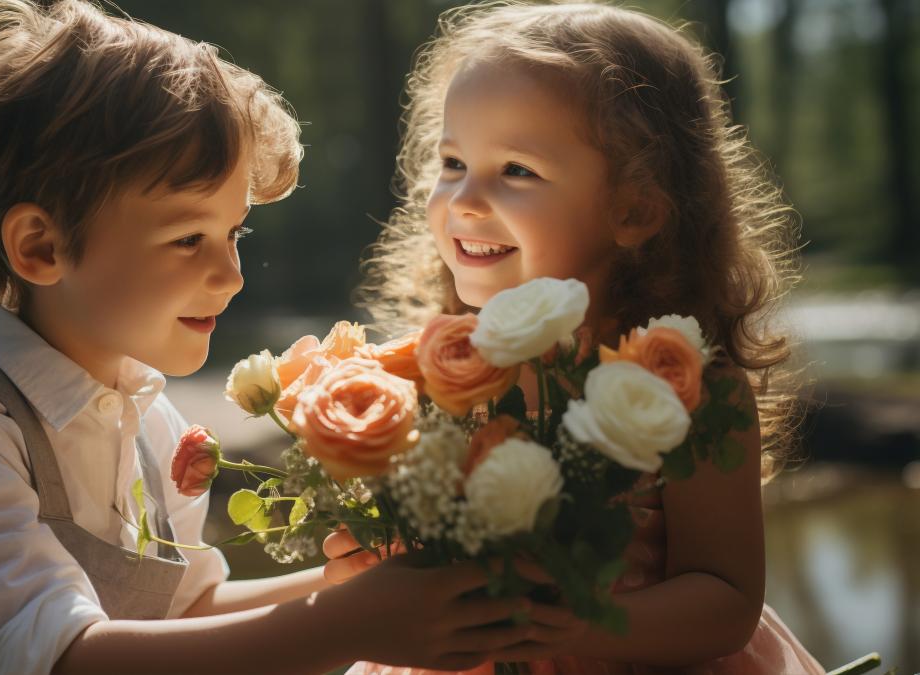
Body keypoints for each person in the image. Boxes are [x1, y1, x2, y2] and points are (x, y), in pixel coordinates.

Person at [0, 1, 558, 673]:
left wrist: (356, 580)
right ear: (40, 247)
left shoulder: (150, 419)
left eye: (235, 232)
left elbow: (187, 614)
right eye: (189, 237)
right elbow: (64, 656)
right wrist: (347, 623)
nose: (230, 275)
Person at [332, 2, 827, 673]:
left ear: (635, 208)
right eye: (451, 163)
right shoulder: (430, 380)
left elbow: (726, 601)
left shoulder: (691, 396)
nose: (464, 199)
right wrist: (371, 561)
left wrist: (562, 626)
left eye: (516, 170)